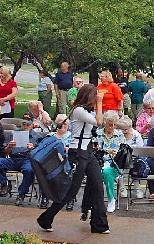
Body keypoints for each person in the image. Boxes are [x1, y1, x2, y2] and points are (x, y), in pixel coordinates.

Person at [36, 84, 111, 234]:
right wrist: (100, 103)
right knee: (71, 190)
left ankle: (99, 224)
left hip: (88, 152)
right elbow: (99, 122)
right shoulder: (78, 111)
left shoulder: (86, 111)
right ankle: (46, 218)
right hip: (78, 153)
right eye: (94, 96)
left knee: (97, 186)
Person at [0, 115, 40, 205]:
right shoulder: (14, 133)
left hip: (27, 159)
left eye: (27, 125)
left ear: (32, 125)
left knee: (29, 170)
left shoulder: (37, 137)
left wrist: (33, 149)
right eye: (23, 124)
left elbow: (40, 154)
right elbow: (5, 151)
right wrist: (9, 147)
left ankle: (21, 193)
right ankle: (5, 184)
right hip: (13, 158)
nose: (25, 126)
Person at [94, 112, 126, 212]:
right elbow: (94, 150)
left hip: (114, 164)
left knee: (107, 173)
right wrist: (107, 151)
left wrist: (118, 154)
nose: (112, 127)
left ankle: (111, 199)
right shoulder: (98, 134)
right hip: (99, 162)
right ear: (104, 123)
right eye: (110, 124)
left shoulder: (119, 135)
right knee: (94, 172)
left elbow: (125, 152)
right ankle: (94, 201)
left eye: (114, 125)